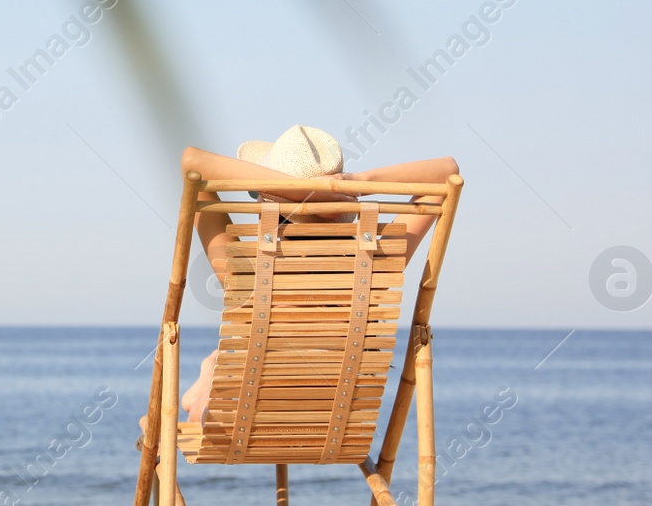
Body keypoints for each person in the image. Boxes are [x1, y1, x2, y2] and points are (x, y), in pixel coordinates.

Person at [177, 126, 459, 421]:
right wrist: (351, 184)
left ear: (266, 200)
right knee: (213, 378)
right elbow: (447, 173)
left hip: (236, 421)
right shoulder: (372, 270)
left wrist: (300, 191)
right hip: (331, 423)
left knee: (204, 394)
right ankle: (210, 373)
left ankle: (210, 372)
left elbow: (191, 164)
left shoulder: (248, 275)